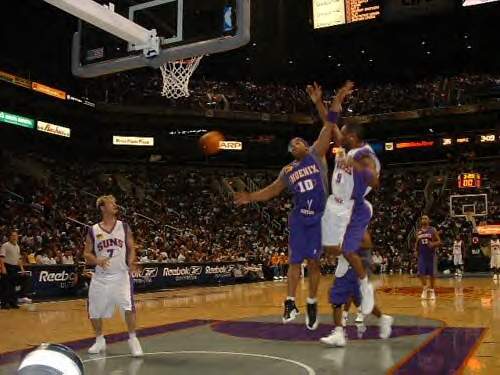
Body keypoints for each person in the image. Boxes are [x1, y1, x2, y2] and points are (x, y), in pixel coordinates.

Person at [234, 81, 353, 330]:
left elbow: (329, 123)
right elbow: (272, 191)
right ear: (291, 150)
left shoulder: (316, 154)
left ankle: (310, 302)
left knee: (314, 264)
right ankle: (289, 302)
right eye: (297, 142)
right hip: (300, 217)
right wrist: (250, 197)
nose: (302, 143)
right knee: (294, 261)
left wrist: (323, 101)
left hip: (320, 216)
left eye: (302, 140)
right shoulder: (287, 170)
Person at [311, 88, 380, 315]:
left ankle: (364, 285)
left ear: (352, 137)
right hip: (335, 203)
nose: (338, 135)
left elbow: (375, 181)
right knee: (330, 249)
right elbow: (329, 124)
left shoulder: (365, 155)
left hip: (351, 206)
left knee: (349, 251)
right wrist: (320, 102)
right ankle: (354, 269)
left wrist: (357, 167)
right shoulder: (345, 150)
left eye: (343, 134)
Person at [84, 195, 143, 357]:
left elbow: (131, 248)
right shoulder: (93, 230)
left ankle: (133, 339)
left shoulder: (124, 227)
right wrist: (96, 260)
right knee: (94, 310)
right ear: (103, 208)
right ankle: (99, 339)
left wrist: (131, 262)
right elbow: (86, 253)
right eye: (112, 203)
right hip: (100, 277)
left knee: (128, 307)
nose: (116, 205)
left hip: (120, 275)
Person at [320, 255, 393, 347]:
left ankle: (339, 333)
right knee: (360, 302)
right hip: (348, 269)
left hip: (350, 269)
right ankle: (383, 318)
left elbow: (346, 249)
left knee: (335, 296)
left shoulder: (354, 244)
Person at [0, 230, 32, 305]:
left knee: (25, 278)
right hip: (7, 267)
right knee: (7, 286)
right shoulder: (5, 245)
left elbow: (19, 259)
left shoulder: (17, 246)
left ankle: (18, 298)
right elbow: (1, 258)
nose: (15, 237)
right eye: (13, 235)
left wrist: (22, 270)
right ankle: (6, 303)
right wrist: (3, 268)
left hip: (14, 268)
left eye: (16, 236)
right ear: (9, 237)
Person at [414, 215, 442, 300]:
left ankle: (432, 290)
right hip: (422, 255)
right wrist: (415, 250)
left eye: (426, 218)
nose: (424, 219)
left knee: (432, 274)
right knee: (421, 273)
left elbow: (439, 241)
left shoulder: (432, 230)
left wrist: (433, 244)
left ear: (429, 220)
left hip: (431, 255)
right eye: (422, 218)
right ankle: (425, 289)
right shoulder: (418, 231)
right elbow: (416, 242)